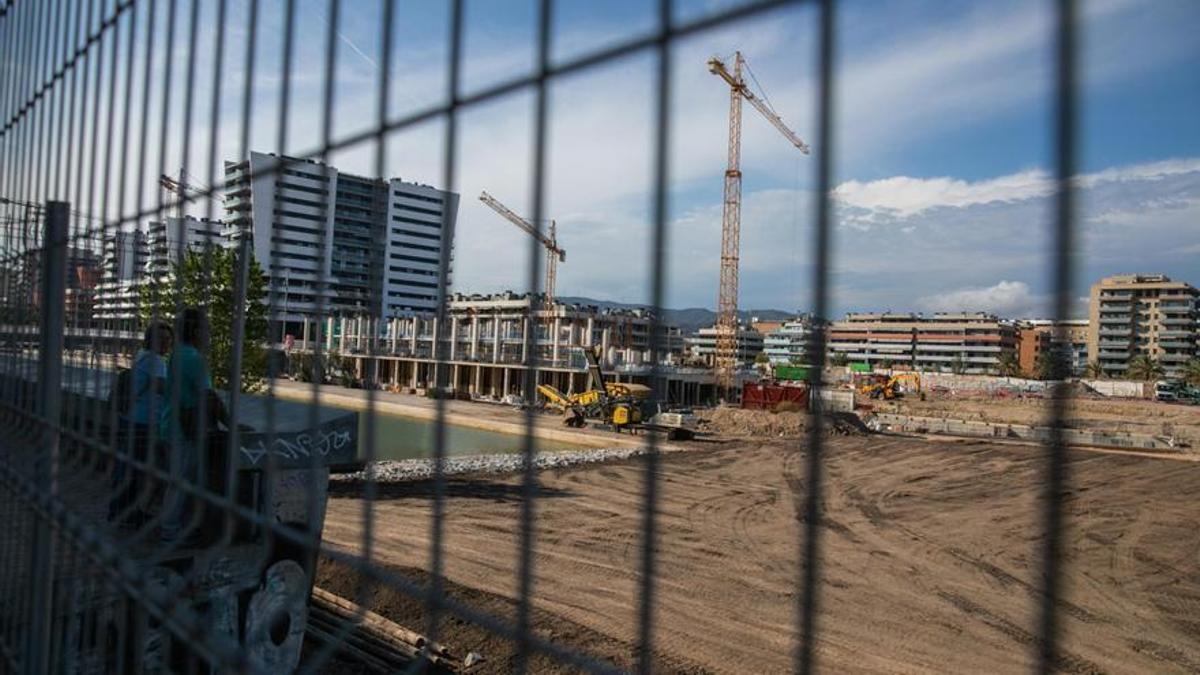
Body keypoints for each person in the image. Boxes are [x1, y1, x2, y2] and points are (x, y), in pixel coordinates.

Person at [159, 307, 230, 544]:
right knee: (181, 482)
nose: (209, 334)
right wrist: (231, 423)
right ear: (197, 331)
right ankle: (171, 531)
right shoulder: (193, 359)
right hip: (184, 430)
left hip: (170, 425)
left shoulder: (177, 354)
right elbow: (208, 396)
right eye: (207, 329)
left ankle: (175, 528)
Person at [108, 320, 173, 526]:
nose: (166, 344)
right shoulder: (155, 361)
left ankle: (122, 512)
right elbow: (165, 388)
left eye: (169, 340)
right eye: (161, 340)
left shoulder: (142, 356)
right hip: (142, 424)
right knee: (136, 472)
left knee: (128, 469)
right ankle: (127, 515)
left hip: (132, 419)